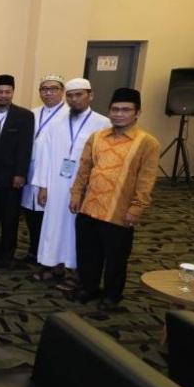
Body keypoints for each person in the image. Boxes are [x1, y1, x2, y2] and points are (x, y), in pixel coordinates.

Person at [70, 88, 159, 310]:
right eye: (115, 109)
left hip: (118, 210)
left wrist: (136, 208)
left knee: (116, 258)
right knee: (88, 252)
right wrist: (76, 194)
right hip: (90, 206)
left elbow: (146, 180)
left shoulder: (147, 142)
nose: (119, 114)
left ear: (137, 113)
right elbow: (84, 169)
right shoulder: (97, 137)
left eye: (125, 110)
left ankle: (112, 295)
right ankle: (89, 287)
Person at [34, 78, 110, 295]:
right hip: (56, 184)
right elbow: (45, 156)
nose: (74, 99)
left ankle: (74, 272)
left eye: (79, 95)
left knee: (76, 230)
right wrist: (43, 186)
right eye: (70, 95)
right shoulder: (57, 123)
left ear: (90, 95)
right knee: (54, 224)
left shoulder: (102, 124)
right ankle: (54, 264)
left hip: (85, 187)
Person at [0, 74, 34, 267]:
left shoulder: (24, 116)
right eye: (0, 91)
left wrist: (20, 173)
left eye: (7, 92)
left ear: (13, 93)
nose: (3, 95)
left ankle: (7, 254)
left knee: (10, 219)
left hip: (12, 178)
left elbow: (25, 148)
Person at [20, 75, 68, 264]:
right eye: (44, 89)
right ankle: (34, 251)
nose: (48, 93)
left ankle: (51, 256)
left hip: (54, 174)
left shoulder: (69, 115)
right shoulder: (32, 114)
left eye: (53, 89)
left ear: (62, 91)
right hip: (31, 170)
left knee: (51, 217)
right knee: (31, 213)